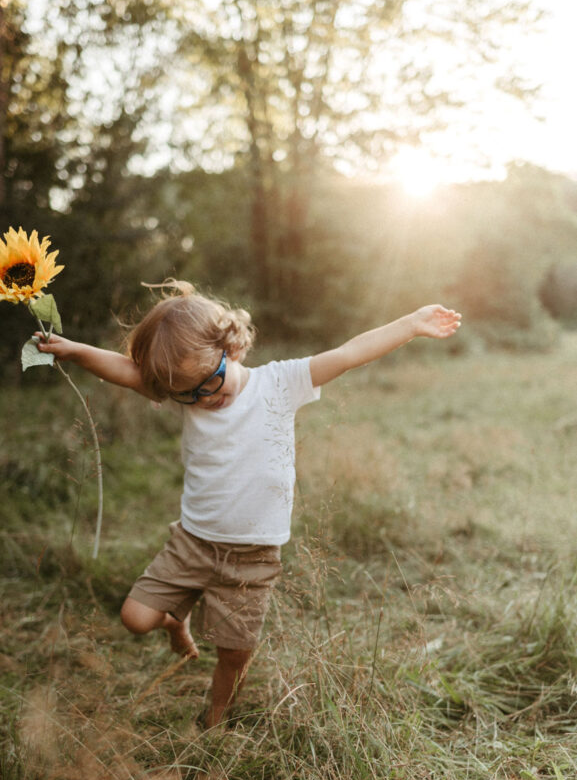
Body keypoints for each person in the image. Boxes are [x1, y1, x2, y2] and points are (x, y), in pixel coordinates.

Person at [36, 281, 461, 726]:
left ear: (231, 348)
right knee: (135, 618)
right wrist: (73, 350)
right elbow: (125, 371)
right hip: (193, 542)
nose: (204, 399)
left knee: (234, 652)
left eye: (209, 383)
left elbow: (350, 352)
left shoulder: (280, 383)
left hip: (253, 557)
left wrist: (412, 324)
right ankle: (175, 622)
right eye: (187, 395)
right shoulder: (188, 388)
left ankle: (215, 718)